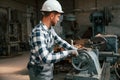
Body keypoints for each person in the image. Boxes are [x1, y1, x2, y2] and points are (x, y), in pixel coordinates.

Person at [27, 0, 78, 80]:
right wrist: (68, 53)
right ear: (52, 15)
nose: (58, 20)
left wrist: (74, 49)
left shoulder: (50, 29)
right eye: (58, 16)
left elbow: (60, 41)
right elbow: (46, 58)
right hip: (39, 72)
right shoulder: (38, 33)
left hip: (47, 69)